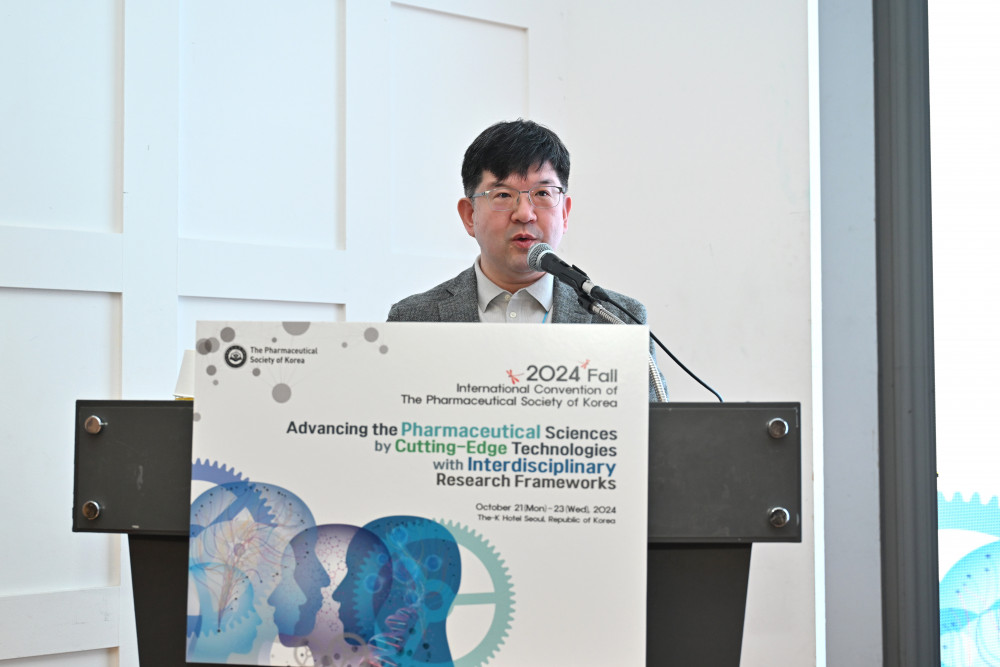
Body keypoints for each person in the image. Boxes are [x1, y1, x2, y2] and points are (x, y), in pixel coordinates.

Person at [387, 119, 666, 401]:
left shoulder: (619, 321)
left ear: (564, 213)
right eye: (503, 195)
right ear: (470, 216)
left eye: (542, 193)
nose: (524, 214)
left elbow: (655, 428)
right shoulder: (413, 321)